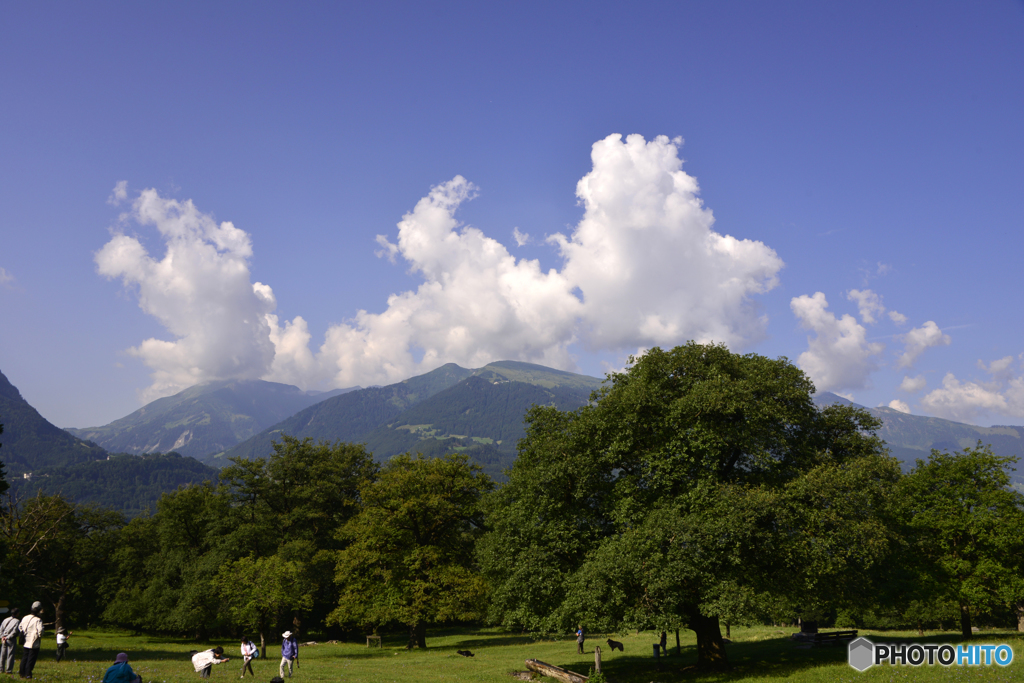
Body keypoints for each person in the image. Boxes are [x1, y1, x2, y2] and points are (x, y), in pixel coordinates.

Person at [18, 602, 44, 679]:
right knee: (31, 659)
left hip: (26, 640)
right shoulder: (38, 620)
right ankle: (28, 674)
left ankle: (22, 673)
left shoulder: (25, 617)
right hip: (34, 641)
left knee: (25, 657)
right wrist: (39, 636)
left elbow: (20, 627)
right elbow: (40, 631)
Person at [0, 609, 20, 674]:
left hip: (3, 638)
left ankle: (1, 669)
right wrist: (8, 637)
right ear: (17, 613)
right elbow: (14, 632)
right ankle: (8, 670)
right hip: (11, 639)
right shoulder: (17, 621)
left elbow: (1, 628)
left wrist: (2, 637)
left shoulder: (5, 619)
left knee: (2, 654)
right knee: (10, 654)